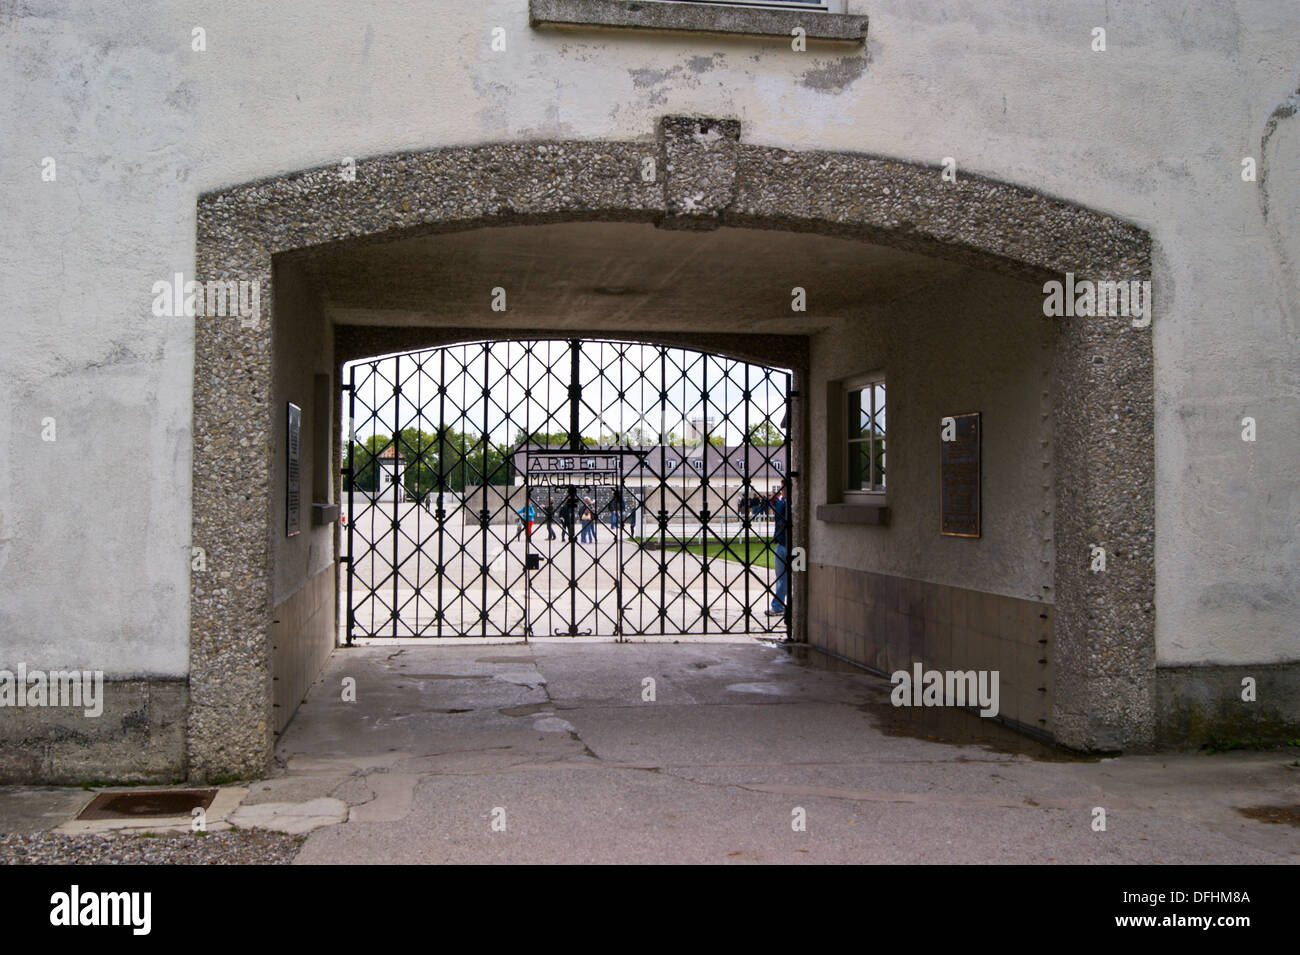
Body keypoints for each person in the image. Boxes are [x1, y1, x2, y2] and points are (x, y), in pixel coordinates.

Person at [766, 482, 789, 617]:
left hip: (789, 545)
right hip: (785, 544)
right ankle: (779, 605)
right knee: (782, 577)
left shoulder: (784, 503)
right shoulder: (782, 503)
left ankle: (779, 606)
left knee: (783, 577)